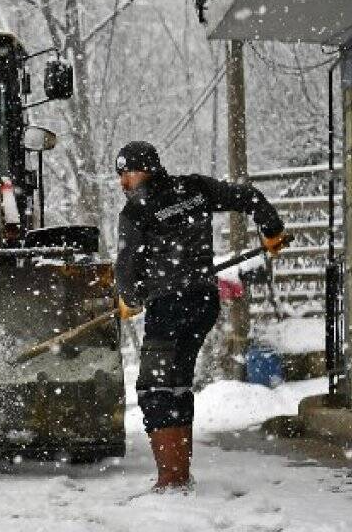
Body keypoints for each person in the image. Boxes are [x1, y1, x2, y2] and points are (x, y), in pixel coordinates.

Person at [113, 141, 285, 491]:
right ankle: (178, 475)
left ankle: (170, 480)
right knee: (177, 383)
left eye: (125, 174)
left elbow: (128, 261)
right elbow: (249, 197)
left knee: (155, 388)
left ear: (142, 170)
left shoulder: (136, 211)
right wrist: (272, 231)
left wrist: (129, 298)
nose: (122, 183)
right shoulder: (194, 188)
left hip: (169, 305)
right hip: (203, 301)